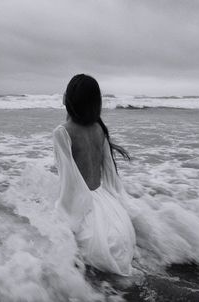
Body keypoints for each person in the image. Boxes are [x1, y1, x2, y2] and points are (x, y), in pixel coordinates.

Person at [53, 74, 136, 276]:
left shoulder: (62, 132)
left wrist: (66, 225)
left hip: (88, 211)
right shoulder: (99, 128)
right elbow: (109, 172)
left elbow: (69, 182)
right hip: (111, 210)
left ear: (68, 99)